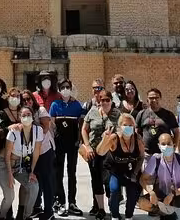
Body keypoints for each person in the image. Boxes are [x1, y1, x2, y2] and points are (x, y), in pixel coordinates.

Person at [139, 133, 180, 220]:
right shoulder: (156, 159)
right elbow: (142, 179)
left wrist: (173, 193)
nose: (166, 146)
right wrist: (151, 192)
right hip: (161, 194)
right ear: (159, 146)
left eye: (169, 144)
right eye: (163, 144)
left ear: (173, 145)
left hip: (178, 194)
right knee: (142, 202)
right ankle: (165, 213)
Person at [96, 114, 145, 220]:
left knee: (133, 191)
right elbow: (100, 152)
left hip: (130, 171)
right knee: (114, 190)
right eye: (125, 125)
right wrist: (104, 139)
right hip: (114, 171)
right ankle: (114, 215)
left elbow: (141, 157)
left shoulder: (137, 138)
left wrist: (135, 173)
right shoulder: (114, 138)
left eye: (131, 125)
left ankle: (129, 216)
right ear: (119, 127)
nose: (128, 127)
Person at [82, 90, 121, 220]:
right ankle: (101, 209)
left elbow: (121, 130)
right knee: (96, 180)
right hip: (93, 152)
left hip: (110, 152)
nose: (104, 102)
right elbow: (84, 129)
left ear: (111, 101)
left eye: (107, 100)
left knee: (109, 181)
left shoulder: (117, 114)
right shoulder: (92, 112)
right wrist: (87, 146)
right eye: (102, 100)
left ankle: (112, 208)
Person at [0, 105, 41, 220]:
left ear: (33, 116)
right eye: (23, 115)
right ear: (19, 117)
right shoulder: (14, 131)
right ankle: (1, 217)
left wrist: (32, 172)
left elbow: (36, 152)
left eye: (29, 115)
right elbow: (7, 155)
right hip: (4, 165)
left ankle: (26, 216)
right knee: (9, 196)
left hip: (20, 165)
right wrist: (9, 174)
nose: (26, 117)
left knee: (34, 187)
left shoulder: (38, 130)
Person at [49, 79, 84, 216]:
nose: (65, 89)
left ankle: (72, 202)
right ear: (59, 89)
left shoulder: (76, 105)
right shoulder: (55, 105)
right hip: (59, 144)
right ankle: (60, 201)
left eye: (67, 87)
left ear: (71, 88)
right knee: (58, 173)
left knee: (72, 173)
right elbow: (52, 125)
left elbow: (81, 124)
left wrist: (79, 141)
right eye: (63, 87)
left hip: (72, 144)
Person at [20, 90, 54, 220]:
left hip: (44, 150)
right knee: (35, 180)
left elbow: (45, 128)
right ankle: (37, 207)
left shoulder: (40, 110)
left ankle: (49, 210)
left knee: (46, 182)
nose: (27, 101)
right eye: (24, 100)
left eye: (29, 99)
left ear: (33, 100)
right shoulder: (23, 114)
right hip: (31, 152)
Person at [0, 88, 22, 220]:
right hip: (4, 155)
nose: (15, 98)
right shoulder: (2, 113)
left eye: (18, 96)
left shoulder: (23, 112)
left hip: (19, 158)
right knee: (9, 193)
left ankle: (22, 214)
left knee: (29, 187)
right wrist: (8, 128)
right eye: (13, 96)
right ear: (8, 97)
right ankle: (5, 215)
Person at [135, 88, 179, 159]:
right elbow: (137, 133)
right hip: (147, 153)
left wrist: (173, 149)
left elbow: (176, 132)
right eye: (151, 98)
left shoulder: (168, 115)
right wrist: (139, 149)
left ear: (160, 99)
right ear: (147, 100)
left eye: (156, 97)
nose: (154, 100)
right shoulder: (141, 114)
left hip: (164, 153)